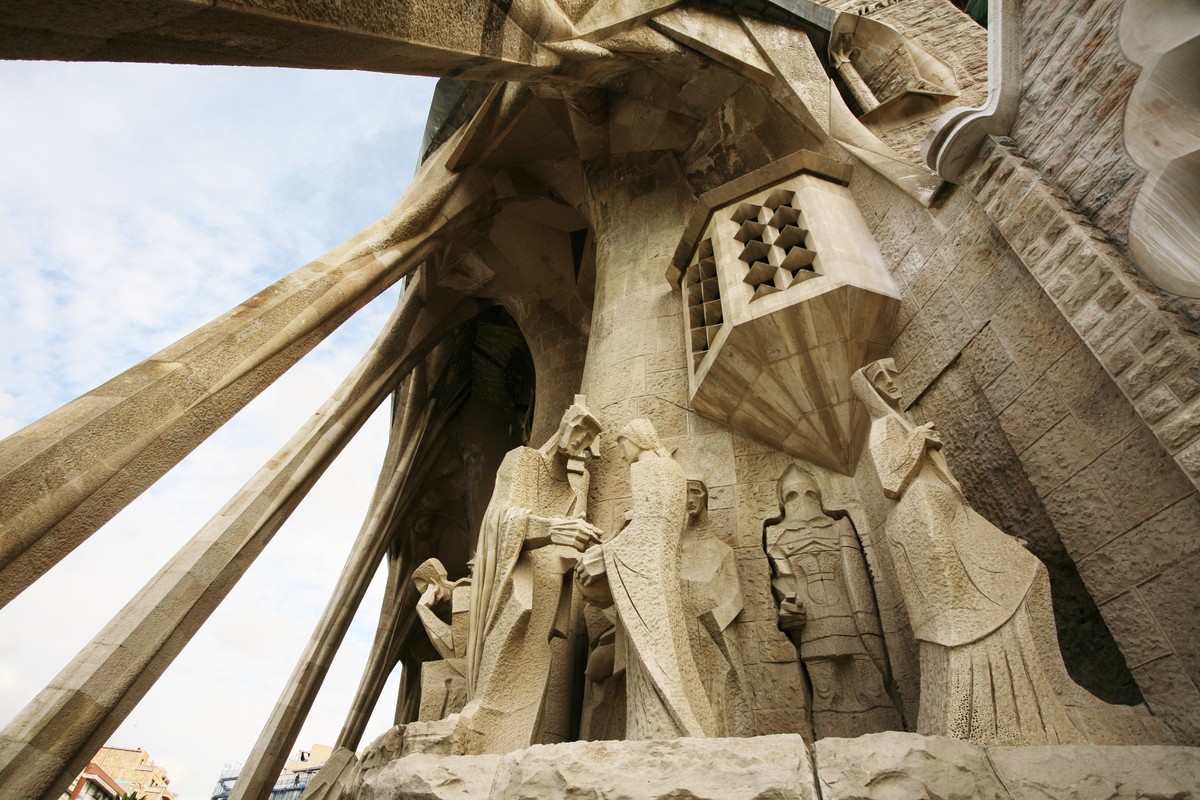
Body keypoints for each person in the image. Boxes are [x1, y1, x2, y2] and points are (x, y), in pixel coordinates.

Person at [851, 358, 1168, 745]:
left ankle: (1050, 689)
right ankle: (986, 713)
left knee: (1029, 569)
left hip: (950, 511)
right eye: (880, 380)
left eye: (893, 375)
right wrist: (918, 440)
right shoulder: (884, 428)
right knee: (966, 613)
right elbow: (890, 480)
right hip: (923, 512)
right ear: (871, 391)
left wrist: (991, 538)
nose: (891, 383)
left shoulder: (904, 423)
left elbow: (951, 492)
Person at [457, 399, 603, 754]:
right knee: (508, 647)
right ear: (564, 423)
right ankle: (482, 735)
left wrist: (587, 545)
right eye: (578, 430)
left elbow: (574, 532)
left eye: (587, 439)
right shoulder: (522, 459)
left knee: (537, 662)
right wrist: (551, 528)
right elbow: (500, 517)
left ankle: (515, 743)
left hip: (552, 580)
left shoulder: (576, 484)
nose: (579, 441)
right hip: (518, 577)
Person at [576, 419, 715, 739]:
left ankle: (658, 731)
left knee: (650, 655)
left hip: (646, 579)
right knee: (661, 652)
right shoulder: (672, 470)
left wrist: (601, 556)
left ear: (637, 439)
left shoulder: (646, 469)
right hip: (659, 577)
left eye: (622, 444)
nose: (621, 453)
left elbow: (646, 532)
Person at [764, 465, 901, 738]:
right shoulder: (776, 536)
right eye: (792, 495)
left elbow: (859, 582)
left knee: (873, 690)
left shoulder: (840, 528)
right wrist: (788, 612)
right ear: (781, 502)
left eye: (810, 493)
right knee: (826, 694)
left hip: (853, 626)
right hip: (813, 632)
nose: (802, 501)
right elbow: (784, 582)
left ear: (820, 494)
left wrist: (868, 627)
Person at [680, 477, 754, 737]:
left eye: (695, 493)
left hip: (714, 631)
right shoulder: (675, 549)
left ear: (705, 498)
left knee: (721, 687)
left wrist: (715, 620)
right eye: (684, 494)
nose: (689, 500)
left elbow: (734, 595)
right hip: (684, 629)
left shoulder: (722, 550)